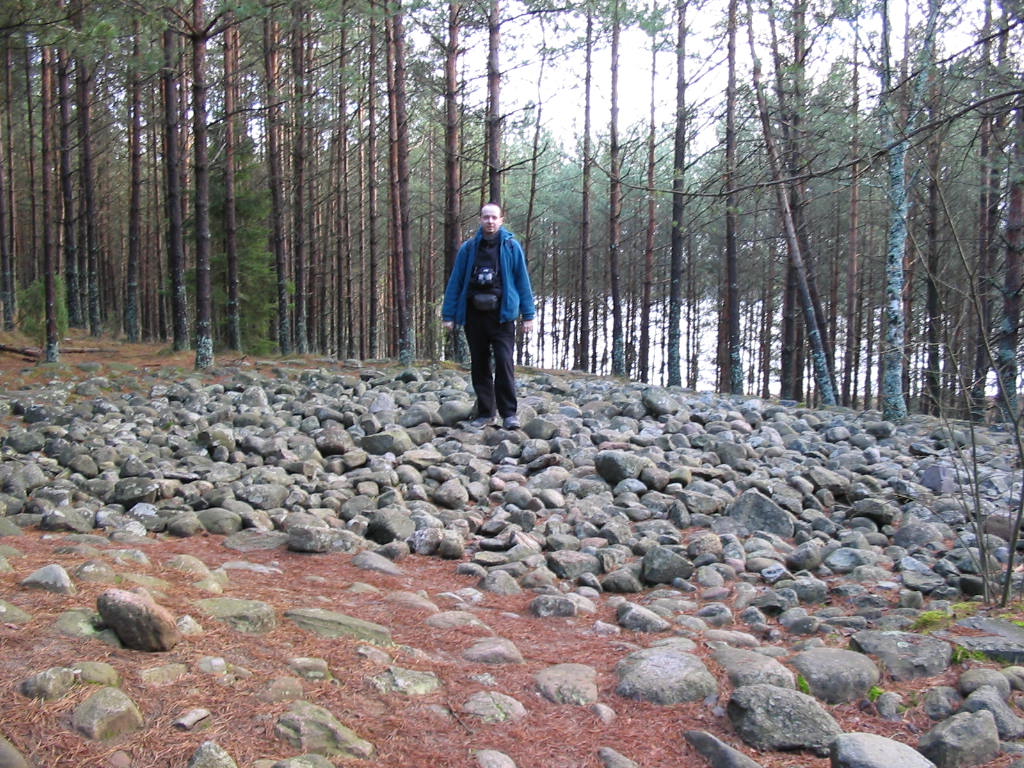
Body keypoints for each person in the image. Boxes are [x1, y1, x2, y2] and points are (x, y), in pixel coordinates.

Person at [442, 202, 535, 429]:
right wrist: (448, 314)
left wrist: (528, 314)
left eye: (494, 217)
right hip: (474, 315)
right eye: (486, 217)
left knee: (504, 363)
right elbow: (456, 282)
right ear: (480, 220)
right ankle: (485, 413)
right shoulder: (468, 249)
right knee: (480, 364)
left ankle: (509, 414)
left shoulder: (511, 247)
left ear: (501, 220)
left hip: (503, 316)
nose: (490, 221)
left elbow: (522, 281)